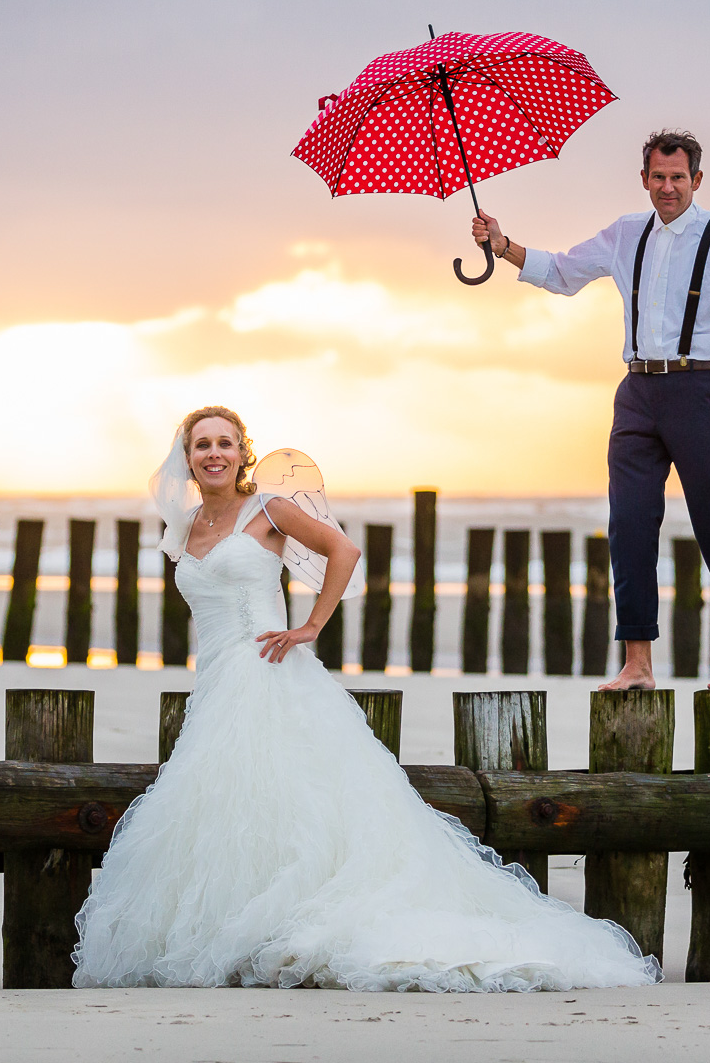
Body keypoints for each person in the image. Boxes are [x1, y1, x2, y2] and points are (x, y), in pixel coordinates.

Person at [70, 406, 659, 990]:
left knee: (302, 805)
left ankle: (294, 927)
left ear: (243, 452)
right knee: (235, 810)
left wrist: (309, 627)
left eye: (226, 443)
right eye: (202, 446)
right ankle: (247, 928)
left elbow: (343, 551)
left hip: (270, 671)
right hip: (218, 682)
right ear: (188, 459)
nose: (214, 454)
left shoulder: (269, 508)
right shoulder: (188, 525)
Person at [473, 130, 710, 690]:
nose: (668, 187)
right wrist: (503, 244)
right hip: (637, 393)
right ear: (645, 178)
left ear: (697, 181)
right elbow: (561, 271)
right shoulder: (627, 233)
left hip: (699, 393)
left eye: (679, 178)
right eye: (659, 177)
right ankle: (637, 663)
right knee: (628, 522)